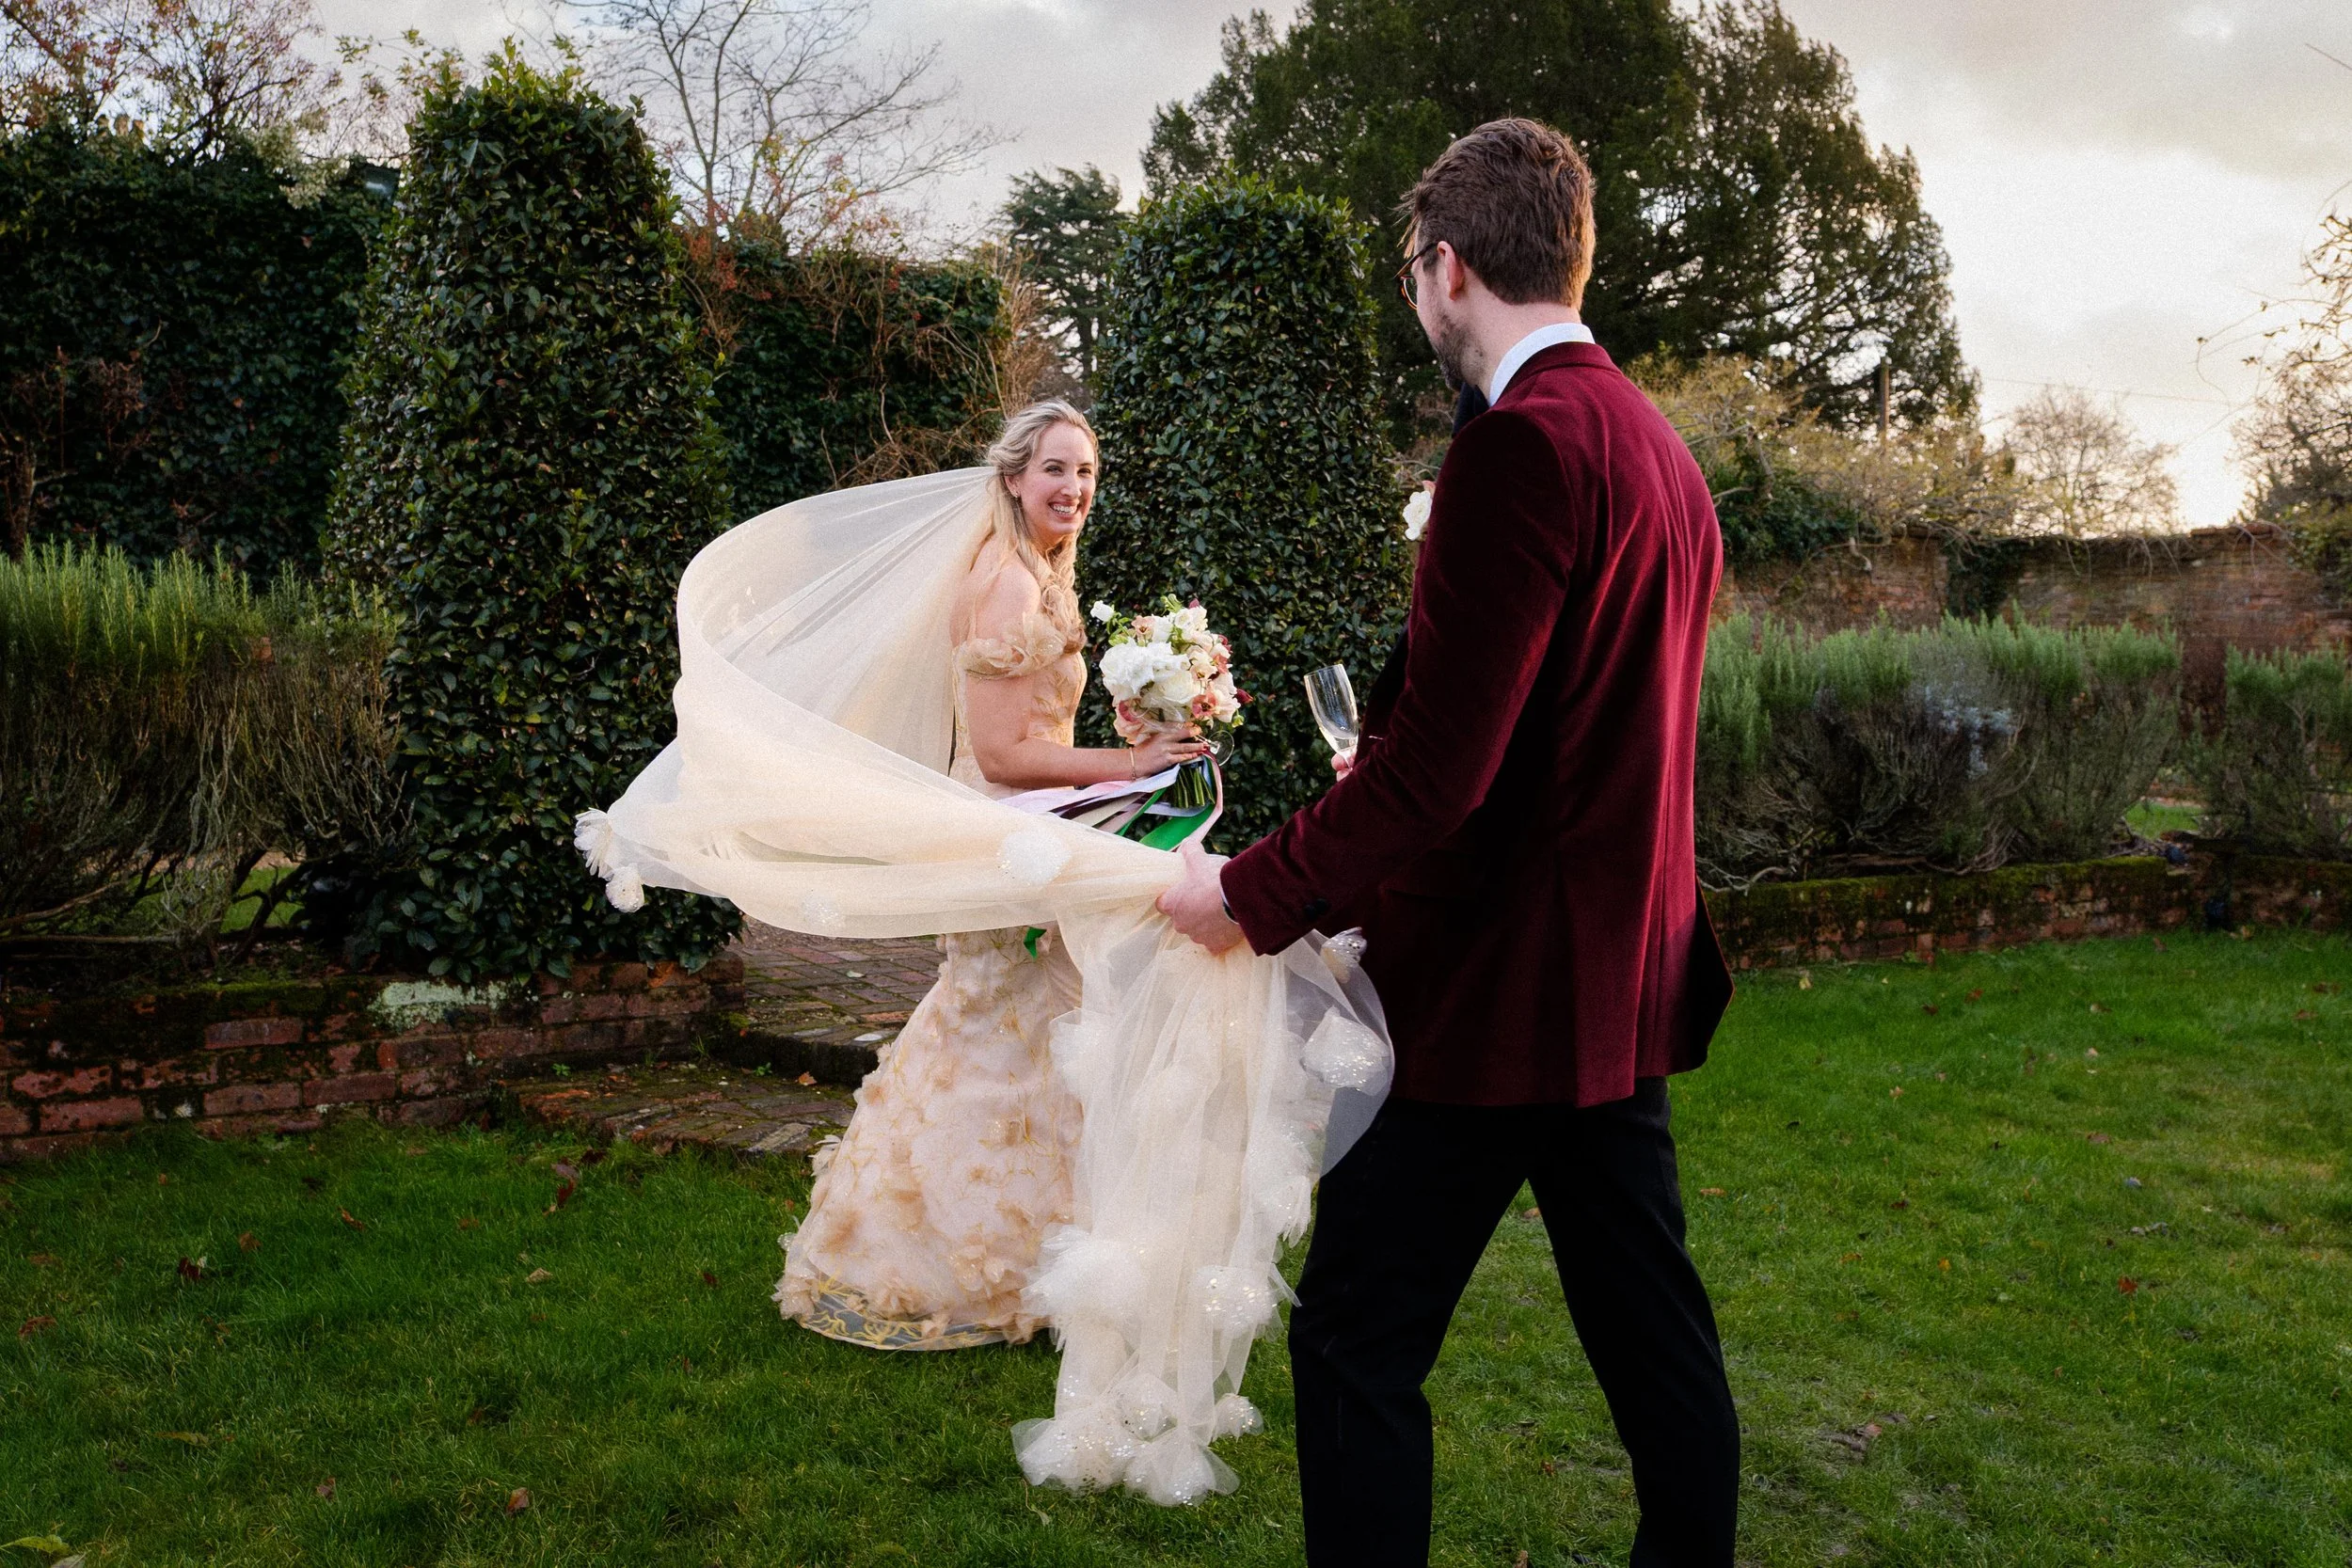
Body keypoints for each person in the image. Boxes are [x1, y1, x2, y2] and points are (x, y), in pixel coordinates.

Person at [1157, 119, 1741, 1565]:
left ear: (1447, 264)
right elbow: (1571, 726)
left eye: (1416, 277)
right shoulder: (1662, 451)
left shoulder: (1521, 450)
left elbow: (1440, 778)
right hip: (1617, 985)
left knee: (1356, 1339)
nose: (1419, 303)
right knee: (1655, 1341)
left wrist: (1245, 890)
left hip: (1488, 995)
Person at [775, 401, 1206, 1351]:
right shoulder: (1009, 586)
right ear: (1012, 477)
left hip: (1034, 833)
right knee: (1006, 1034)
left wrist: (1128, 736)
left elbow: (1034, 733)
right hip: (1009, 835)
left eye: (1086, 471)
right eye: (1054, 469)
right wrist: (1127, 766)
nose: (1073, 489)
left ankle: (1025, 1259)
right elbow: (1009, 754)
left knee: (1019, 1035)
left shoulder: (1039, 573)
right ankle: (964, 1265)